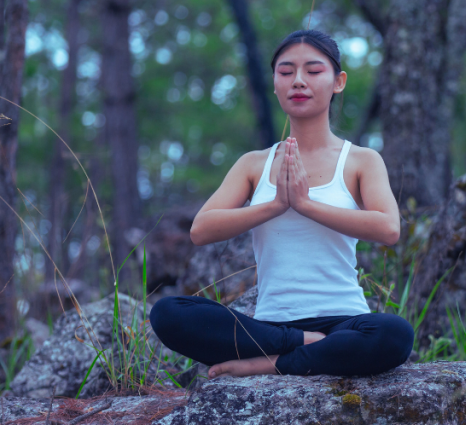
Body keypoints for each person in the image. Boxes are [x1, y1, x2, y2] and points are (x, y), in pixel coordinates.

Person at [149, 29, 413, 379]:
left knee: (394, 334)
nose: (298, 81)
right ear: (275, 84)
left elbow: (388, 228)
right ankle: (303, 344)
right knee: (168, 313)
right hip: (270, 326)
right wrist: (274, 205)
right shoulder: (254, 163)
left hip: (345, 321)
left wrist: (305, 204)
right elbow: (201, 229)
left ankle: (272, 364)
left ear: (338, 81)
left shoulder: (361, 160)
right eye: (286, 72)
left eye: (314, 71)